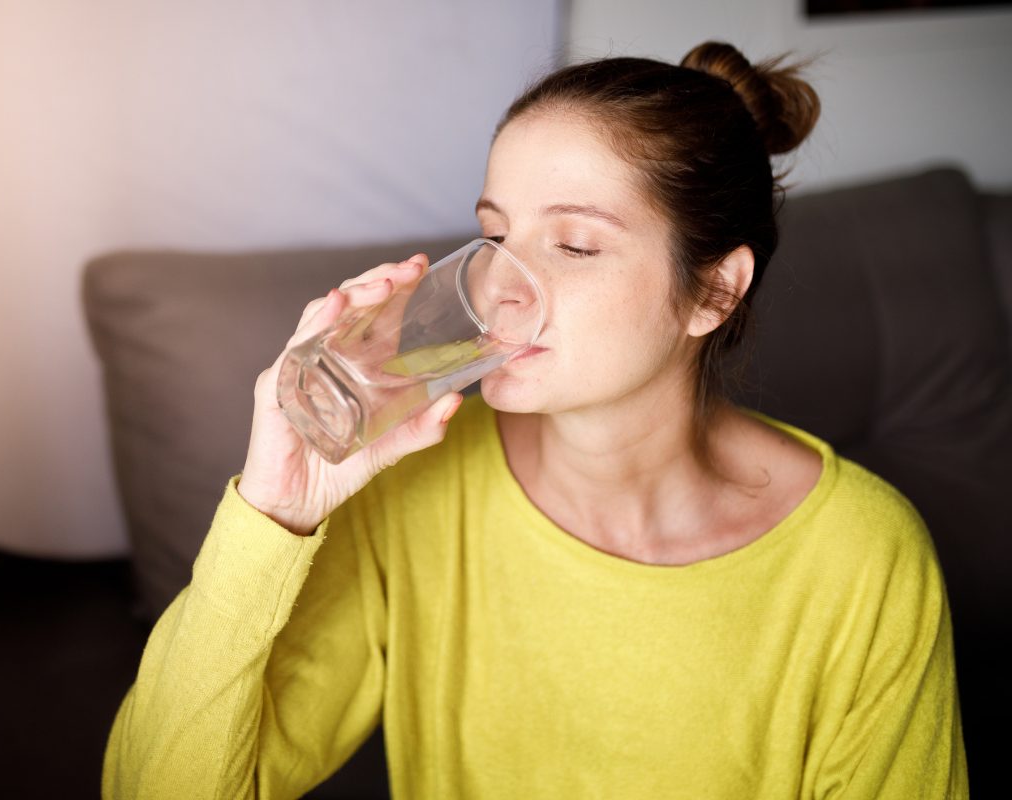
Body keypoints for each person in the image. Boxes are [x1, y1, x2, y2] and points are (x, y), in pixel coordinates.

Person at [102, 42, 968, 799]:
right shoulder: (415, 488)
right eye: (496, 236)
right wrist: (273, 509)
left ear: (713, 289)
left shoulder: (864, 558)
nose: (501, 288)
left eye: (575, 245)